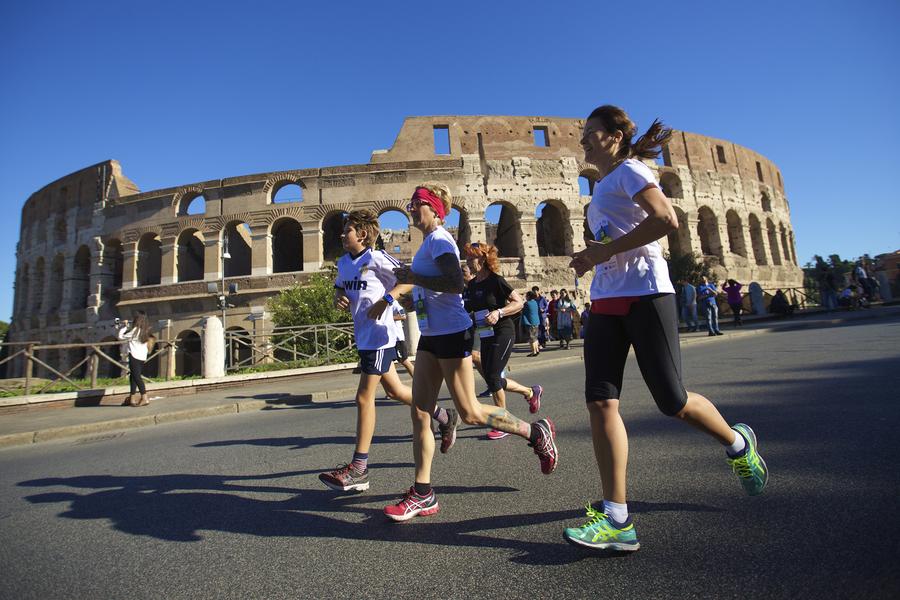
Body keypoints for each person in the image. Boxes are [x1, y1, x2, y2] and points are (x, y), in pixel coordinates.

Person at [566, 104, 767, 551]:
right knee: (600, 402)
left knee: (672, 400)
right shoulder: (601, 188)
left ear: (616, 136)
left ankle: (737, 443)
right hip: (606, 299)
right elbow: (615, 244)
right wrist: (591, 257)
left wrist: (604, 252)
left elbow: (665, 220)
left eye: (591, 133)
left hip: (647, 295)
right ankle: (617, 519)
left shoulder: (631, 171)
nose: (583, 140)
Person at [384, 183, 558, 521]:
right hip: (432, 335)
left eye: (417, 203)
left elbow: (453, 283)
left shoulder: (440, 240)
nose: (411, 208)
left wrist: (412, 276)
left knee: (472, 413)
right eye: (411, 203)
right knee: (420, 411)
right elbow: (430, 290)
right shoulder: (425, 245)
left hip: (452, 334)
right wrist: (401, 299)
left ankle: (536, 432)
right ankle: (423, 493)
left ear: (435, 209)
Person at [320, 209, 450, 493]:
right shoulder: (343, 263)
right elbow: (339, 289)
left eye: (348, 231)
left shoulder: (377, 258)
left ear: (363, 235)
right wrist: (339, 297)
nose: (342, 235)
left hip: (381, 336)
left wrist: (388, 299)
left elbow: (409, 279)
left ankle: (359, 468)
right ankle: (443, 415)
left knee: (364, 397)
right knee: (396, 391)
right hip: (364, 337)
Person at [464, 242, 544, 440]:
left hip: (503, 332)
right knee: (494, 379)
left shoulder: (496, 281)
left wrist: (499, 312)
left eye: (471, 257)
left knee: (492, 375)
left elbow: (519, 302)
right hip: (486, 334)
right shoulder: (472, 285)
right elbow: (470, 310)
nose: (467, 261)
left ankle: (503, 423)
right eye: (466, 256)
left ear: (482, 259)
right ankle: (530, 391)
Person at [117, 311, 154, 407]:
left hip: (134, 356)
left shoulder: (135, 331)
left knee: (137, 377)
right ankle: (132, 398)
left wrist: (124, 326)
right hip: (142, 357)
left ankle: (144, 397)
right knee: (133, 376)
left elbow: (121, 336)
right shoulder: (145, 330)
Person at [392, 303, 415, 377]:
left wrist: (387, 319)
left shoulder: (394, 303)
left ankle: (420, 382)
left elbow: (403, 315)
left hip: (397, 338)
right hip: (388, 339)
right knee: (388, 363)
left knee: (404, 360)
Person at [522, 291, 542, 356]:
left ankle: (534, 352)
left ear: (528, 296)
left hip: (530, 322)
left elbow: (522, 310)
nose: (525, 297)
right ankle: (537, 350)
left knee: (531, 338)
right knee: (535, 337)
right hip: (536, 321)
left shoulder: (527, 303)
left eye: (526, 295)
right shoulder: (535, 302)